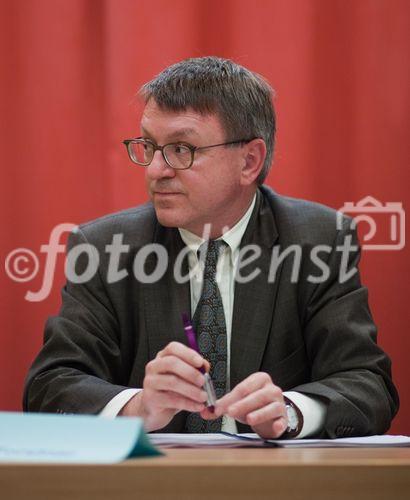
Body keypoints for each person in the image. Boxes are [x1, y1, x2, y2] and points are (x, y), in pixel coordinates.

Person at [23, 56, 399, 439]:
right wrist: (138, 407)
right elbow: (50, 386)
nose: (156, 170)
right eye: (150, 147)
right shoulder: (105, 249)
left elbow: (368, 385)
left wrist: (290, 412)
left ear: (249, 161)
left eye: (181, 149)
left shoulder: (318, 241)